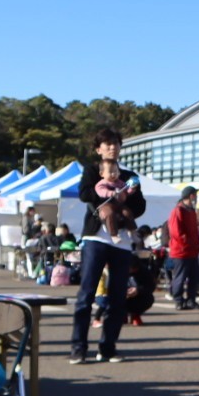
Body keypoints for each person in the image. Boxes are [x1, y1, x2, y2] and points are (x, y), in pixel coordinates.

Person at [71, 128, 146, 363]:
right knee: (87, 294)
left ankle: (108, 347)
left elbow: (140, 206)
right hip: (96, 238)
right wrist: (108, 198)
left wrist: (125, 204)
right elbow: (84, 194)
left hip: (122, 242)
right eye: (107, 144)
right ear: (98, 149)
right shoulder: (92, 171)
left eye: (116, 144)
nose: (112, 147)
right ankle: (78, 348)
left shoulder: (129, 175)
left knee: (117, 297)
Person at [167, 185, 199, 310]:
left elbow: (195, 232)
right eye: (195, 194)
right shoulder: (178, 210)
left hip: (192, 251)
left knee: (194, 277)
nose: (196, 197)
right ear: (191, 196)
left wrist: (198, 244)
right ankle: (178, 300)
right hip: (181, 251)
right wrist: (190, 243)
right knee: (180, 277)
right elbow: (176, 233)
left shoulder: (191, 211)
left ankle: (191, 300)